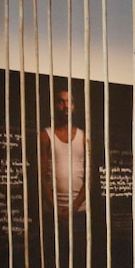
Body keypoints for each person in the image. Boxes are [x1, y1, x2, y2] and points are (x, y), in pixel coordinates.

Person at [41, 88, 87, 218]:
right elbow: (41, 176)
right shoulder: (45, 135)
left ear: (74, 106)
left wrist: (74, 207)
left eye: (69, 102)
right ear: (54, 105)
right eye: (61, 102)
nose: (66, 106)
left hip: (80, 210)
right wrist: (55, 208)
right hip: (52, 210)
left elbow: (89, 178)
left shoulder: (84, 137)